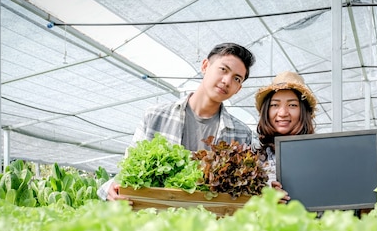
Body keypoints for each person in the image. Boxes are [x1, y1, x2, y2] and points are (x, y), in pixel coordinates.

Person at [99, 42, 256, 201]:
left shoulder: (241, 134)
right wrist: (112, 187)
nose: (227, 81)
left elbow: (242, 193)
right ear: (205, 66)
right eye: (223, 69)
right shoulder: (156, 116)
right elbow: (129, 169)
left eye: (237, 79)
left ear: (238, 89)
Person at [254, 71, 317, 201]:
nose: (282, 113)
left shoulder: (318, 156)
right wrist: (266, 198)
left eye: (292, 105)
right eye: (275, 105)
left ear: (303, 111)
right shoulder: (254, 159)